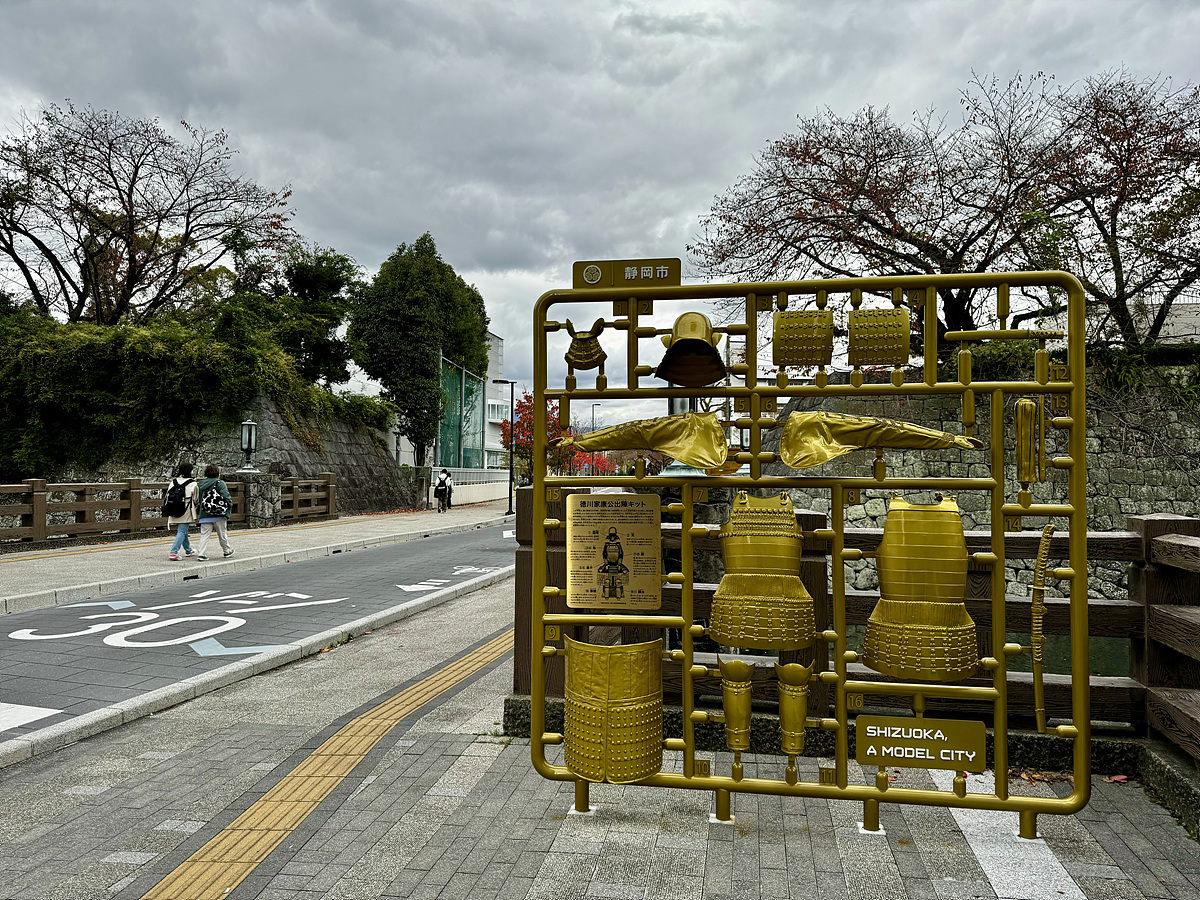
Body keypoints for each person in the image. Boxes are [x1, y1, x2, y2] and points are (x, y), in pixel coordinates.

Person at [195, 463, 234, 561]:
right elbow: (227, 497)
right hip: (219, 513)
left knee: (204, 535)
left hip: (205, 513)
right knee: (222, 534)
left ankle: (201, 553)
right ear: (217, 473)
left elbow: (198, 499)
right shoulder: (220, 483)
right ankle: (227, 551)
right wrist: (228, 510)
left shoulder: (200, 484)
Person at [166, 462, 199, 560]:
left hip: (173, 508)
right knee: (182, 531)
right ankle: (174, 552)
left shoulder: (173, 482)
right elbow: (196, 499)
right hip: (186, 510)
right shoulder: (193, 483)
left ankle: (188, 550)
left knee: (183, 531)